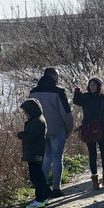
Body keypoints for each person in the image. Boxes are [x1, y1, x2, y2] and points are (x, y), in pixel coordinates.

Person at [30, 67, 73, 197]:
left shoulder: (33, 92)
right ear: (54, 76)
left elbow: (30, 112)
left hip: (41, 130)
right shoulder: (59, 91)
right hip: (57, 129)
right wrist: (69, 128)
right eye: (57, 75)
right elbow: (65, 113)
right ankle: (56, 188)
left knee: (46, 158)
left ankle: (43, 188)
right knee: (57, 158)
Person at [73, 77, 104, 191]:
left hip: (102, 129)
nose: (92, 87)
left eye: (94, 85)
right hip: (88, 129)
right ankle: (95, 181)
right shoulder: (85, 97)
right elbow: (76, 101)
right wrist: (76, 93)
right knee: (92, 154)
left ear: (99, 86)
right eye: (90, 85)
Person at [16, 99, 49, 208]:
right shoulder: (36, 119)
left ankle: (39, 199)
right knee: (38, 174)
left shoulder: (37, 121)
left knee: (36, 176)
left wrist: (20, 134)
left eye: (26, 112)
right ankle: (44, 196)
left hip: (35, 152)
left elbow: (30, 137)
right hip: (35, 151)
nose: (25, 114)